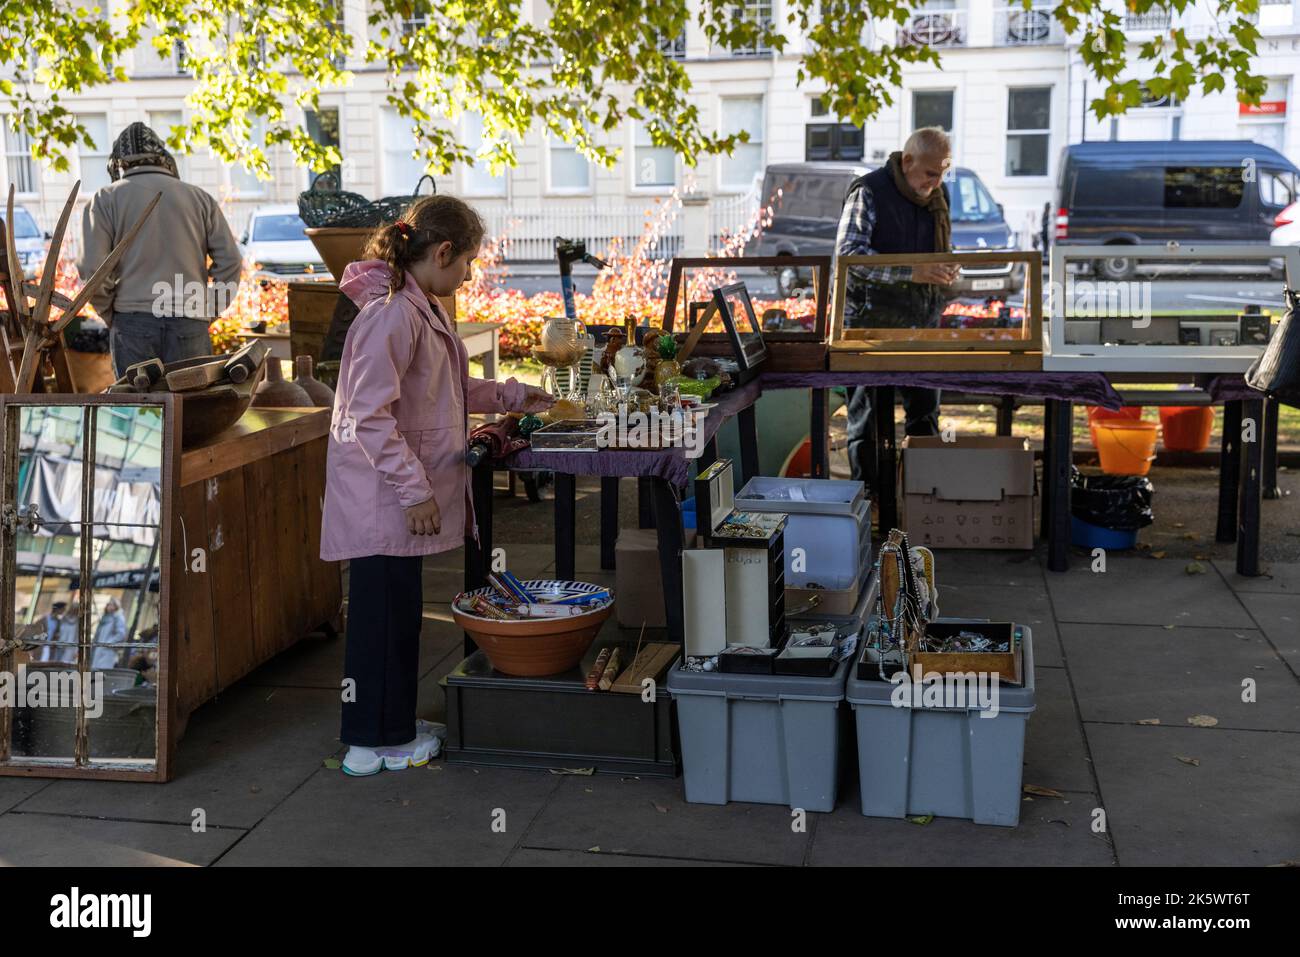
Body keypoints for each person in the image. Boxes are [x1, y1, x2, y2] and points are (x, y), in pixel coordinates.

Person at [321, 195, 552, 777]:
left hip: (394, 495)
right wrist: (414, 489)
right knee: (380, 619)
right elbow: (369, 414)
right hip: (384, 497)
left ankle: (390, 723)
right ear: (442, 250)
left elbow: (447, 388)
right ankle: (369, 741)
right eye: (468, 260)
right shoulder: (393, 313)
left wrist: (516, 396)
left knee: (399, 614)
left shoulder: (418, 305)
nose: (471, 273)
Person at [835, 126, 959, 487]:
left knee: (924, 413)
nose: (936, 183)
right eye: (930, 173)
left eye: (943, 173)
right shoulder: (869, 191)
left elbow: (940, 248)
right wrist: (913, 271)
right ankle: (870, 502)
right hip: (867, 325)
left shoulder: (938, 194)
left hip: (922, 322)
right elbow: (849, 258)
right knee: (868, 419)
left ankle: (924, 496)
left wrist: (946, 267)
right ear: (907, 162)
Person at [77, 121, 243, 378]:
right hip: (190, 317)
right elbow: (230, 261)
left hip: (132, 320)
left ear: (120, 162)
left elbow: (93, 269)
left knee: (142, 412)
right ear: (161, 157)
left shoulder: (104, 200)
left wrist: (110, 313)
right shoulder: (199, 198)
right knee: (194, 409)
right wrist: (210, 309)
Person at [91, 598, 129, 671]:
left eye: (111, 605)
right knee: (93, 671)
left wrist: (108, 643)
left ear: (116, 606)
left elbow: (121, 634)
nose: (109, 606)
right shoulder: (105, 617)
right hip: (98, 649)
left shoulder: (118, 617)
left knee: (101, 672)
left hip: (107, 651)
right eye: (108, 604)